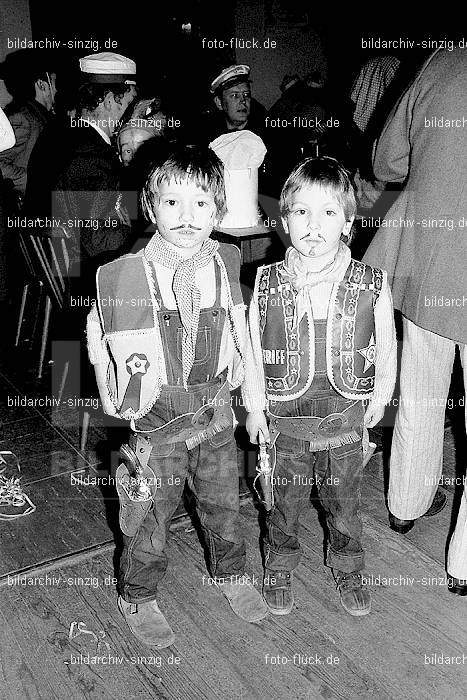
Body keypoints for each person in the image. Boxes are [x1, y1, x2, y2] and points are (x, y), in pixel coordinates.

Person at [86, 145, 268, 648]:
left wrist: (253, 405)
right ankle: (137, 595)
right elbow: (100, 343)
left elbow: (244, 338)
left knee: (224, 508)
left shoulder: (226, 262)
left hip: (215, 417)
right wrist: (111, 385)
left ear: (220, 207)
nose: (187, 218)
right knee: (148, 518)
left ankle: (231, 573)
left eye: (202, 204)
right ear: (150, 206)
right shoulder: (124, 274)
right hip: (157, 427)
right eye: (172, 203)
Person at [243, 156, 397, 616]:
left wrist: (381, 399)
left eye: (329, 212)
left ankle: (349, 566)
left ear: (348, 221)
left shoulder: (372, 282)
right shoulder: (267, 284)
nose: (314, 225)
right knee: (283, 500)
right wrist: (253, 406)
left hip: (347, 414)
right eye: (301, 212)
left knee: (345, 502)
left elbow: (385, 345)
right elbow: (252, 349)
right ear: (285, 221)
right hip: (286, 417)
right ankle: (280, 564)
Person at [362, 47, 467, 595]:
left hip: (428, 255)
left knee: (422, 391)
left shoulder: (442, 60)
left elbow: (386, 161)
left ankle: (405, 504)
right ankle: (464, 562)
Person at [51, 51, 137, 283]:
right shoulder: (93, 155)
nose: (129, 116)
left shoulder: (60, 137)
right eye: (128, 105)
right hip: (83, 278)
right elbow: (99, 240)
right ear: (109, 101)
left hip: (62, 266)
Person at [0, 52, 57, 205]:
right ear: (42, 85)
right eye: (54, 83)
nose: (57, 90)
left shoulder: (43, 117)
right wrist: (34, 184)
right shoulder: (22, 117)